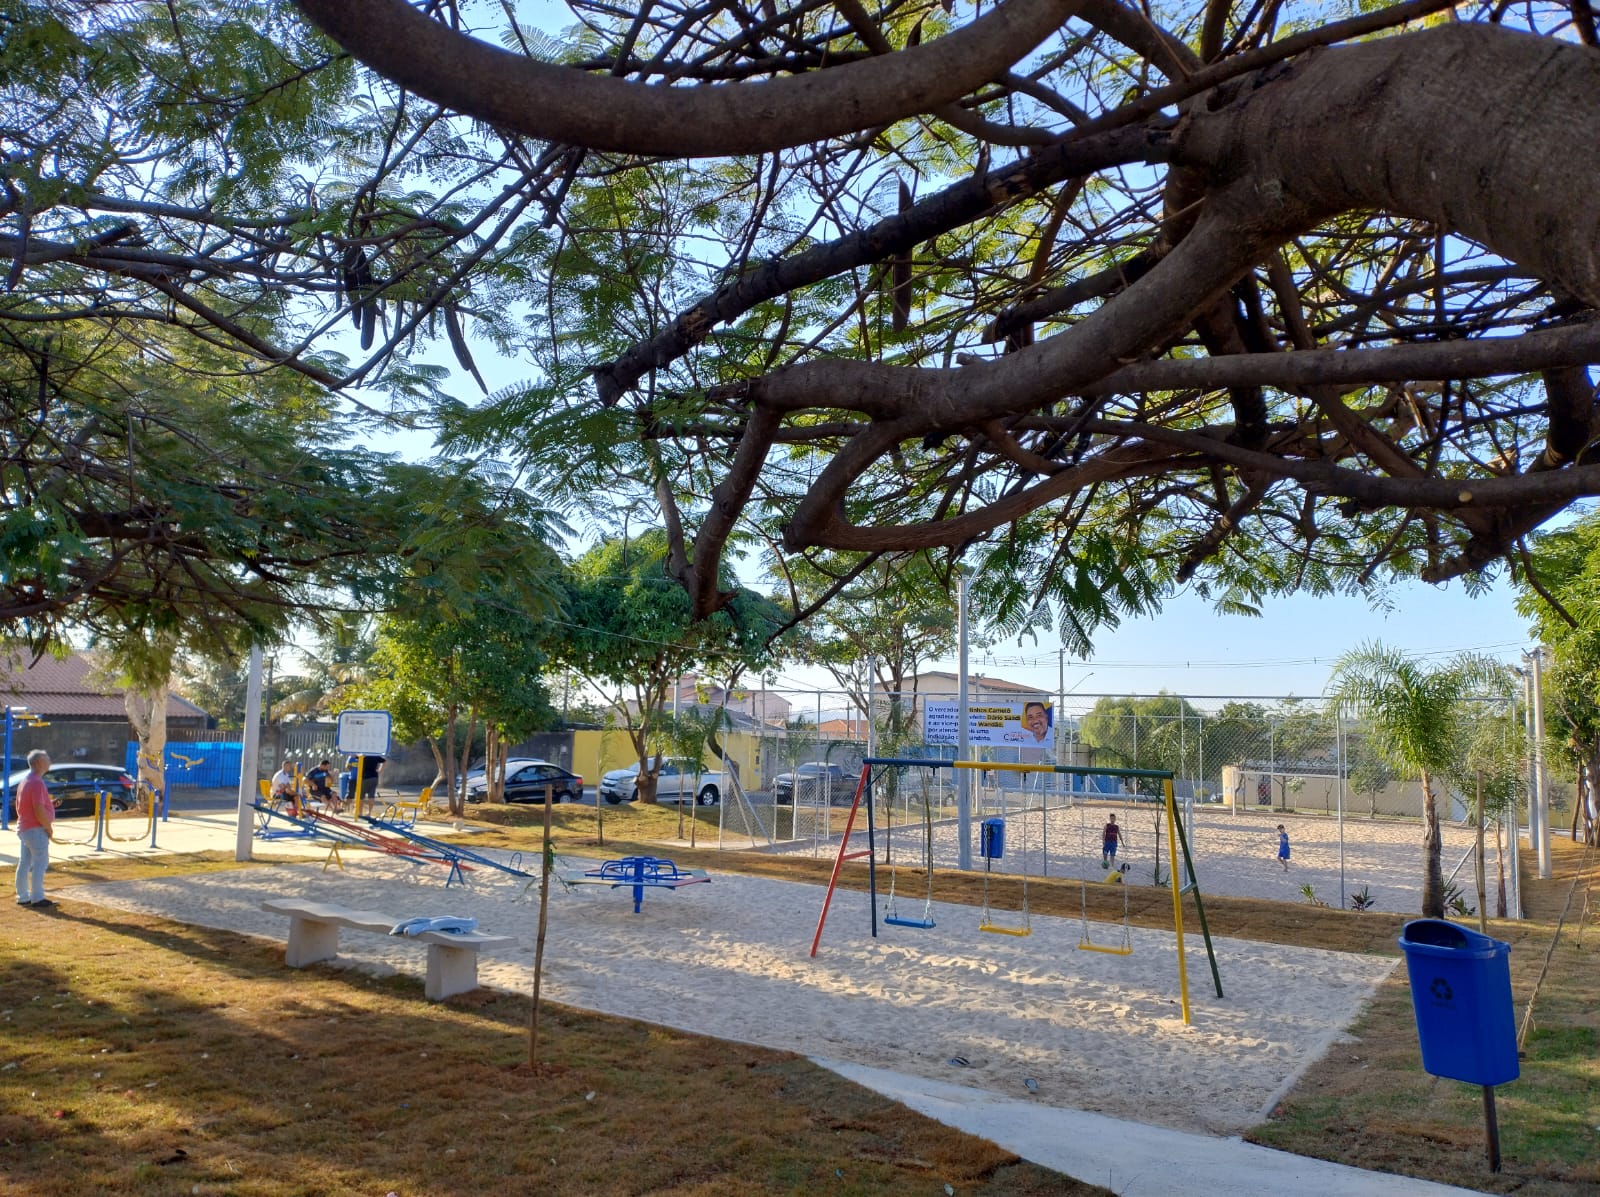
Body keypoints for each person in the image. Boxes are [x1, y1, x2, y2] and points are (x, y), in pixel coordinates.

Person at [13, 749, 55, 907]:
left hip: (25, 827)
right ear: (38, 762)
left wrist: (50, 805)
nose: (50, 761)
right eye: (46, 758)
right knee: (40, 863)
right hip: (35, 828)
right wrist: (48, 827)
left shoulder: (26, 780)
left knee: (25, 862)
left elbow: (22, 805)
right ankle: (38, 897)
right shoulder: (37, 782)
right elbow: (38, 809)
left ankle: (23, 896)